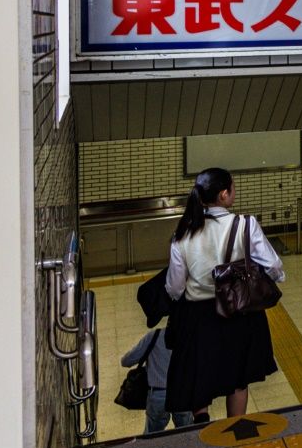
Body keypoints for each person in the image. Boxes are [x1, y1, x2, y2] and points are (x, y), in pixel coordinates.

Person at [164, 168, 285, 424]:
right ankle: (235, 428)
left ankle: (201, 423)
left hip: (198, 316)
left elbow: (174, 287)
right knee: (237, 378)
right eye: (233, 187)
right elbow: (273, 266)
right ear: (223, 194)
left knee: (200, 372)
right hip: (238, 311)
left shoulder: (183, 232)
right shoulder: (245, 225)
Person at [120, 325, 194, 433]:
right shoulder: (188, 337)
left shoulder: (154, 336)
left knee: (152, 435)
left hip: (157, 394)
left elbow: (127, 361)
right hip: (181, 392)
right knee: (187, 433)